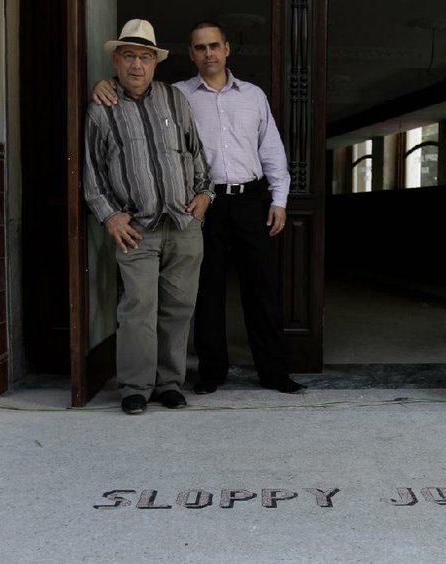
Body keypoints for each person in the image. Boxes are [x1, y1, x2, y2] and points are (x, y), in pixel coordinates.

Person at [93, 21, 306, 395]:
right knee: (205, 292)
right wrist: (104, 84)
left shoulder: (253, 96)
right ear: (190, 54)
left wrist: (279, 199)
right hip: (200, 206)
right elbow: (131, 90)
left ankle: (274, 372)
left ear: (226, 49)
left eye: (214, 46)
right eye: (199, 48)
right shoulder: (176, 95)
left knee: (262, 289)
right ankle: (211, 371)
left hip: (247, 201)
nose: (208, 53)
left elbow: (271, 149)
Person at [83, 19, 214, 414]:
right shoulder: (102, 109)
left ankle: (169, 383)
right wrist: (110, 217)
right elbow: (92, 172)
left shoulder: (175, 100)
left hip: (184, 224)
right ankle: (134, 388)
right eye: (128, 56)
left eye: (144, 57)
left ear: (155, 63)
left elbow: (195, 153)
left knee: (179, 308)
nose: (136, 65)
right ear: (116, 61)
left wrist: (205, 194)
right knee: (138, 309)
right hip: (136, 229)